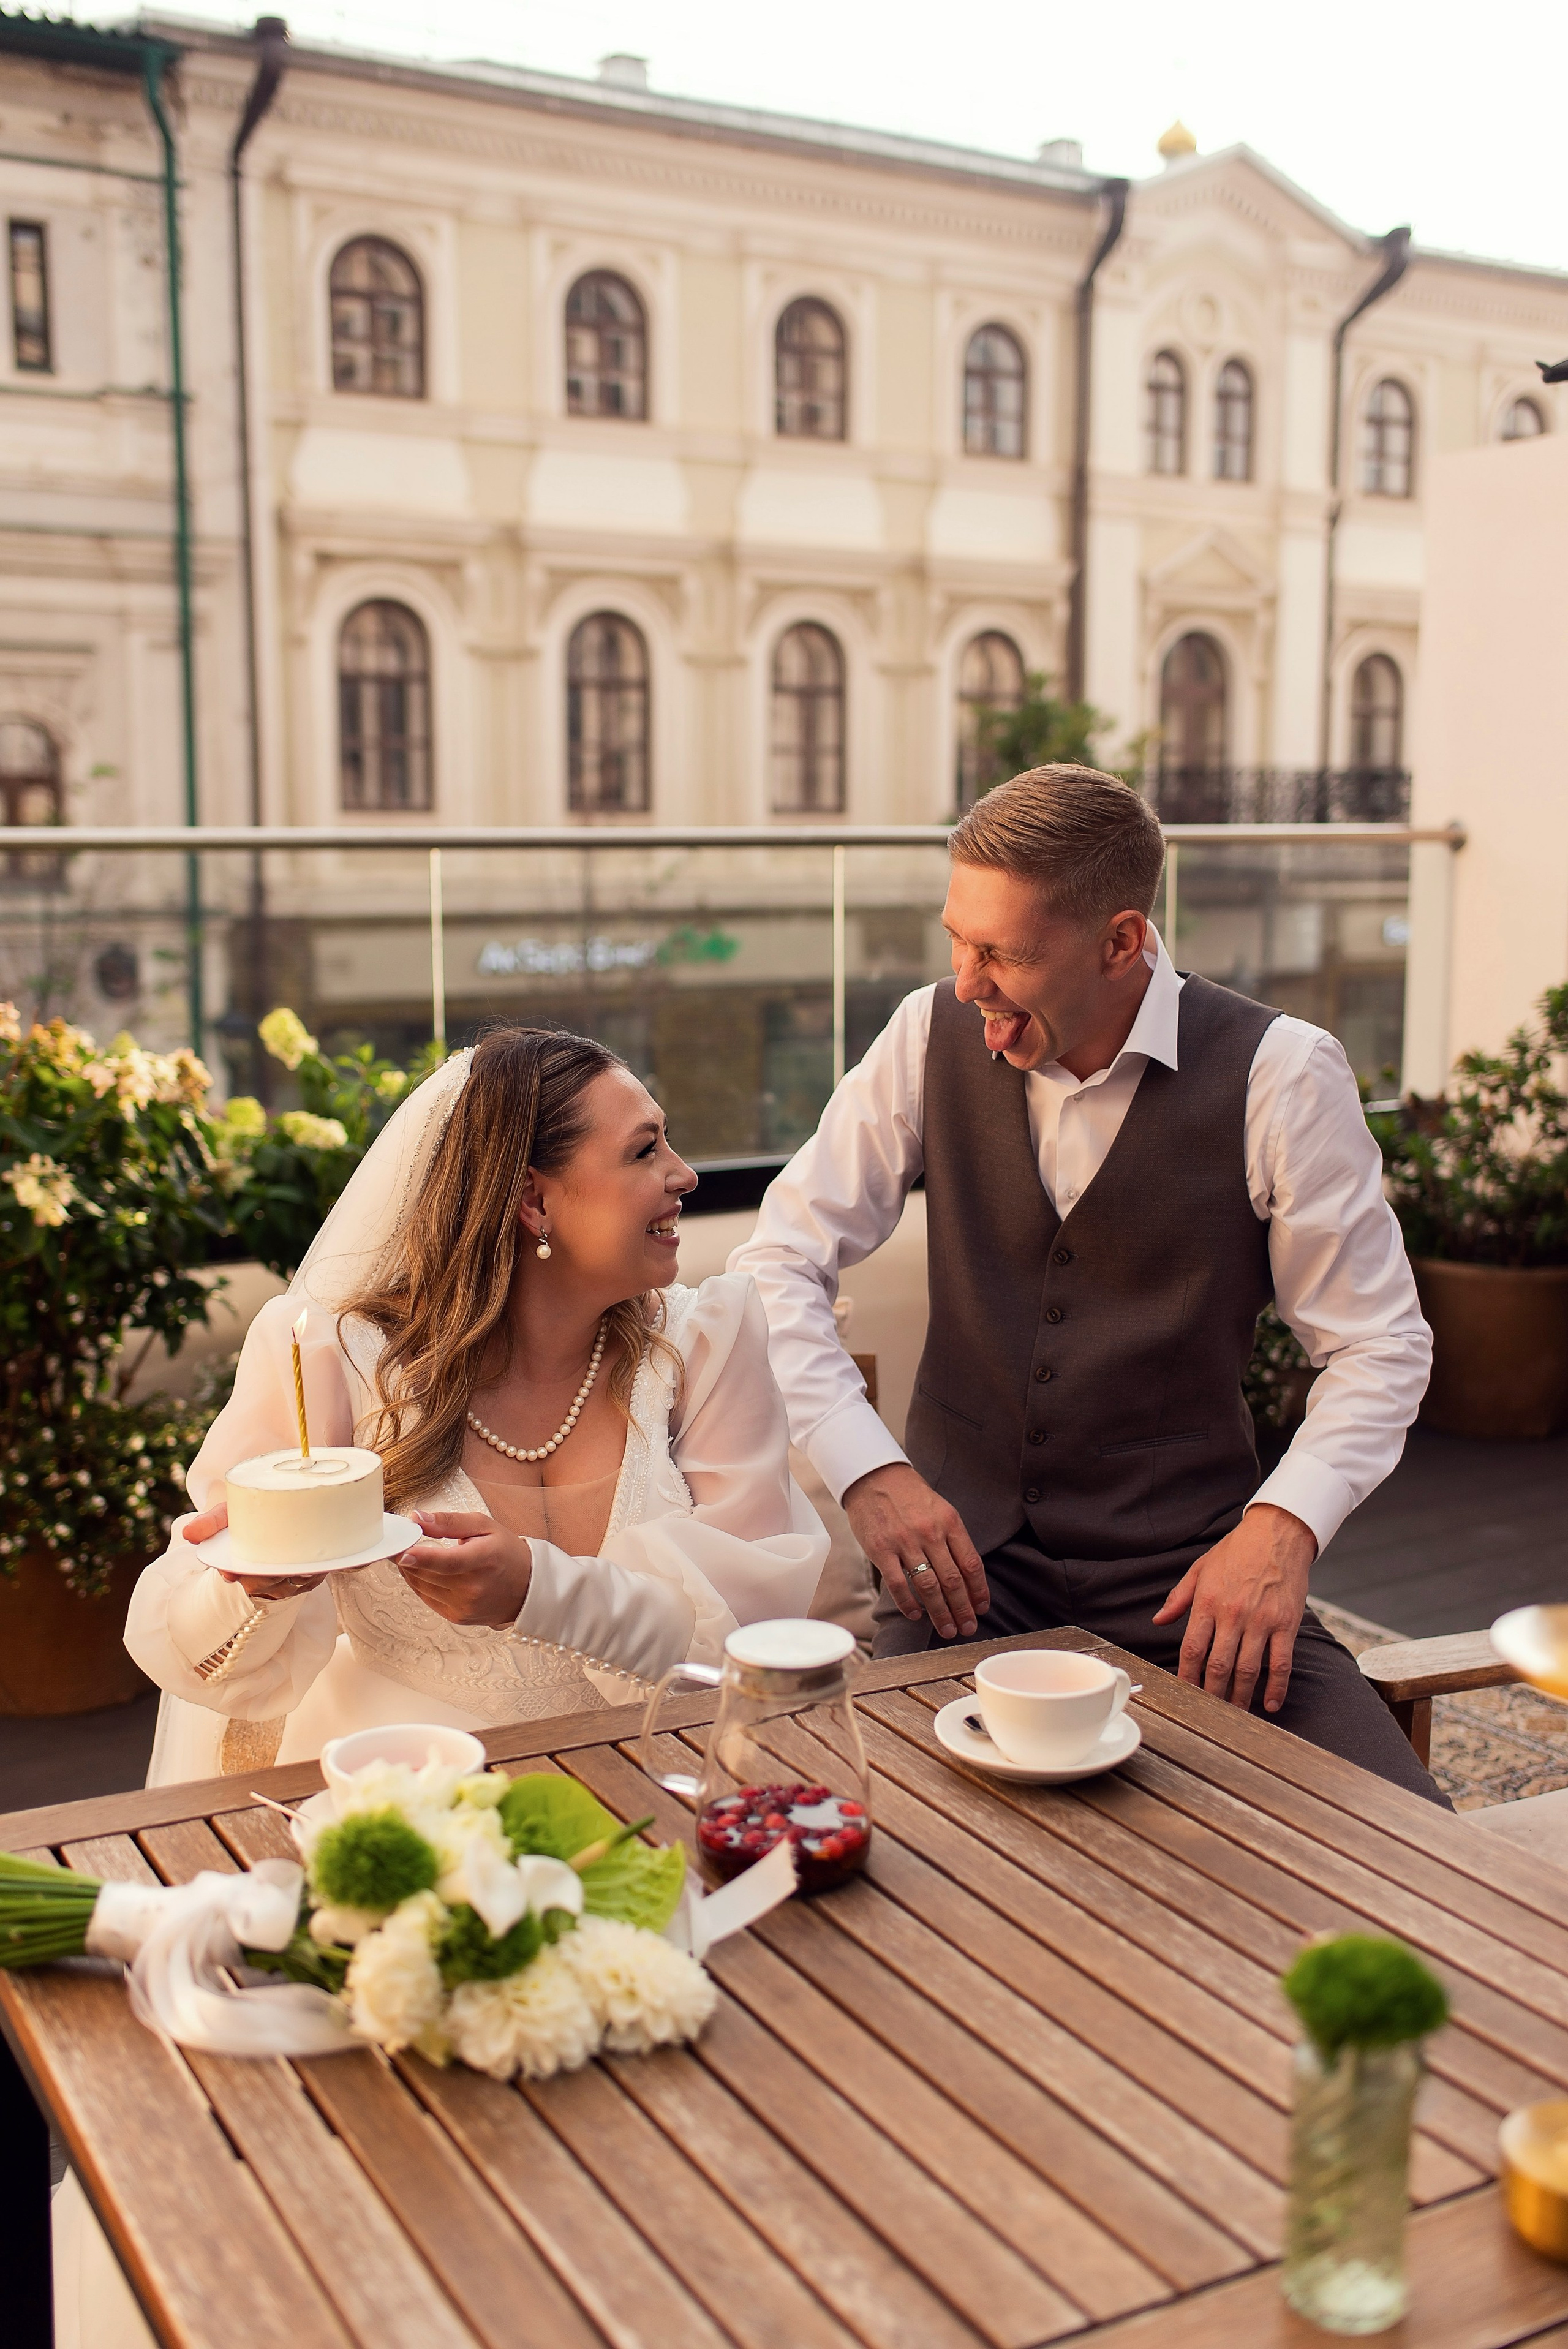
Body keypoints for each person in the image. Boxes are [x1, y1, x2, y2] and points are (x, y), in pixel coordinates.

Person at [731, 764, 1442, 1800]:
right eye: (956, 941)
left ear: (1120, 942)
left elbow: (1379, 1344)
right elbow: (778, 1260)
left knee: (1412, 1850)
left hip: (1188, 1587)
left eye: (1003, 954)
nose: (966, 980)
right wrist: (870, 1474)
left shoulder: (1285, 1073)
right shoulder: (924, 1037)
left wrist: (1281, 1531)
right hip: (961, 1585)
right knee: (855, 1840)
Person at [126, 1025, 828, 1784]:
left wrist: (537, 1592)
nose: (683, 1174)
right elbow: (189, 1652)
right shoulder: (332, 1359)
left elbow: (751, 1630)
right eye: (644, 1150)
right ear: (532, 1198)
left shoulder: (705, 1343)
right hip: (406, 1793)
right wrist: (251, 1586)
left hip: (660, 1773)